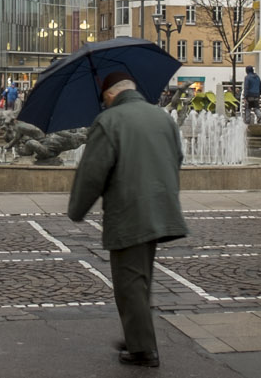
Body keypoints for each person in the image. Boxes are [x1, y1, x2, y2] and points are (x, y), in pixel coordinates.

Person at [67, 72, 188, 369]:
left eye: (102, 98)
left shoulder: (109, 121)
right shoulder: (162, 117)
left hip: (129, 211)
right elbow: (178, 158)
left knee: (129, 282)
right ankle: (137, 336)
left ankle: (143, 350)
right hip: (160, 207)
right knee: (141, 277)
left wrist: (77, 209)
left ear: (109, 95)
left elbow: (92, 173)